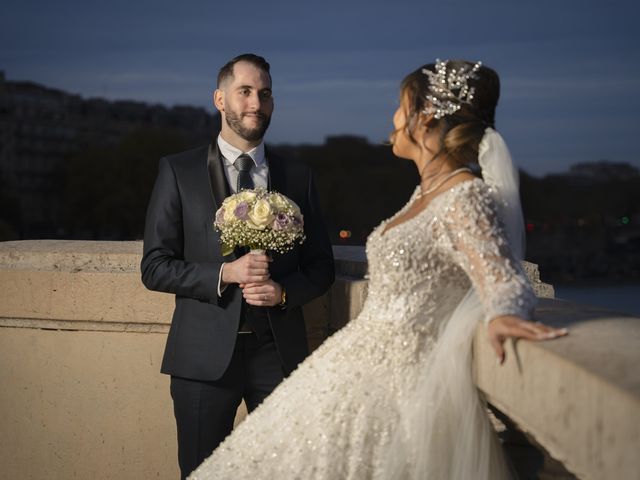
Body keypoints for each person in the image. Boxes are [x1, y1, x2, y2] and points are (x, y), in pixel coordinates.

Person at [187, 59, 568, 480]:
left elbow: (504, 280)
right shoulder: (427, 192)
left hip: (397, 381)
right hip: (351, 367)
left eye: (402, 106)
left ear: (424, 119)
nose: (394, 117)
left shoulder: (465, 196)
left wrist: (505, 314)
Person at [140, 53, 335, 479]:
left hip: (278, 355)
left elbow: (322, 266)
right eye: (244, 91)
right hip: (202, 362)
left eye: (264, 94)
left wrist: (285, 292)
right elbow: (154, 266)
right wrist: (224, 274)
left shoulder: (298, 176)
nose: (256, 103)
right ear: (219, 98)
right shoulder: (178, 171)